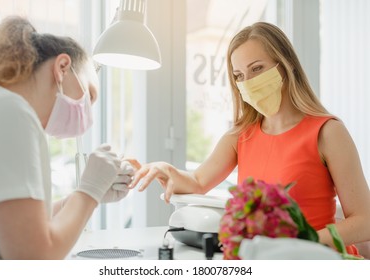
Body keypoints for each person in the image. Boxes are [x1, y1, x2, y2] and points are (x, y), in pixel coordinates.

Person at [128, 22, 370, 256]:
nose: (248, 82)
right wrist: (166, 170)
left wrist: (302, 243)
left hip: (321, 263)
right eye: (239, 75)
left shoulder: (328, 132)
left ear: (285, 66)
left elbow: (365, 221)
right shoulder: (239, 136)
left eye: (257, 69)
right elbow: (198, 181)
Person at [0, 16, 133, 259]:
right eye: (89, 96)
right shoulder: (10, 112)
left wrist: (80, 197)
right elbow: (34, 257)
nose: (88, 115)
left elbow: (16, 222)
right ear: (62, 67)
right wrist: (89, 192)